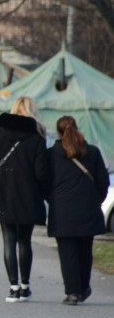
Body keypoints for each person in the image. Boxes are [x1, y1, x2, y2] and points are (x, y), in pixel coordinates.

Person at [0, 97, 50, 303]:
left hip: (3, 192)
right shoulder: (37, 135)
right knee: (25, 241)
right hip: (28, 194)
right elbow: (42, 172)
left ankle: (13, 287)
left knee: (9, 239)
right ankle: (25, 286)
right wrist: (43, 192)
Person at [46, 116, 109, 305]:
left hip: (62, 210)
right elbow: (103, 182)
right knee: (84, 251)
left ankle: (73, 292)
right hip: (88, 209)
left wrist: (52, 199)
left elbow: (44, 181)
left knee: (67, 253)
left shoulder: (51, 154)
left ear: (57, 132)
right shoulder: (93, 152)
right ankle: (83, 287)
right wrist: (96, 200)